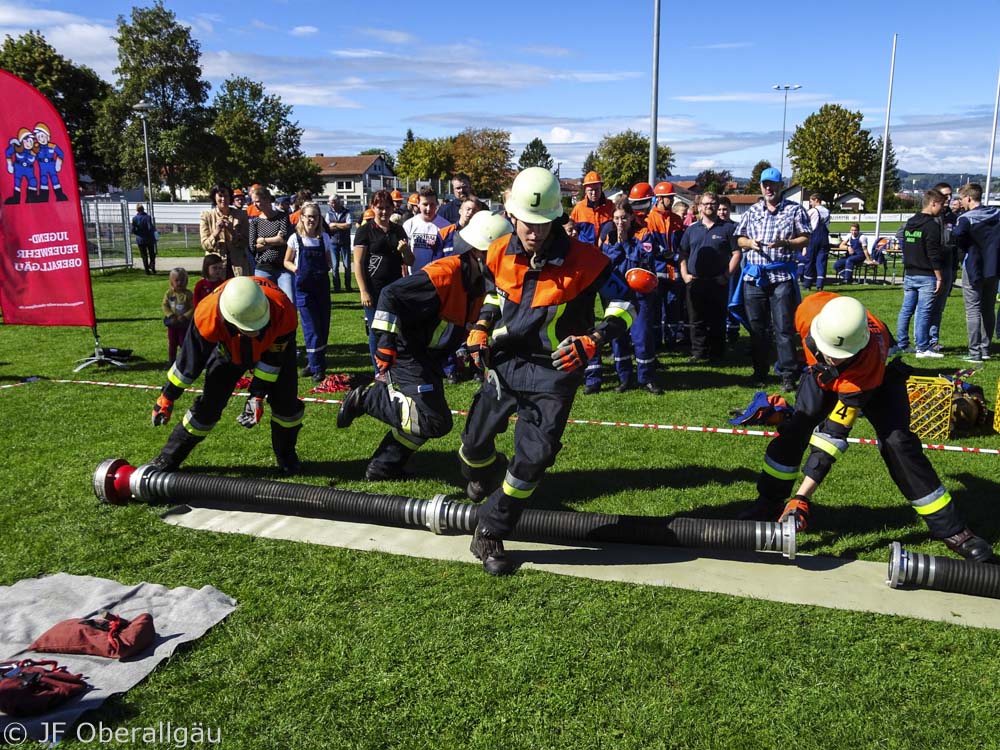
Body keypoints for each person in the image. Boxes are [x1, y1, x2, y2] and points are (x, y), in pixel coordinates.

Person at [459, 167, 636, 576]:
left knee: (535, 456)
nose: (533, 232)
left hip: (555, 370)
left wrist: (593, 339)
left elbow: (625, 305)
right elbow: (493, 293)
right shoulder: (498, 250)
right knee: (473, 446)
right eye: (526, 222)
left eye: (542, 223)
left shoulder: (589, 261)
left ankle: (490, 528)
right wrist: (481, 327)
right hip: (503, 362)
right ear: (511, 214)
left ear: (557, 218)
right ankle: (482, 478)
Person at [739, 292, 996, 565]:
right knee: (797, 425)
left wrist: (802, 498)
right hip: (821, 377)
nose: (833, 358)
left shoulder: (867, 362)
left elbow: (832, 438)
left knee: (898, 444)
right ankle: (769, 502)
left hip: (877, 380)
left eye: (840, 356)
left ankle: (955, 532)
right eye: (828, 351)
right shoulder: (809, 311)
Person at [337, 212, 514, 480]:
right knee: (434, 420)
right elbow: (390, 294)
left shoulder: (480, 282)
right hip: (407, 352)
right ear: (480, 254)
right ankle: (368, 398)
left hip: (429, 357)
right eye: (502, 254)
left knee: (426, 417)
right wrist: (385, 343)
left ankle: (383, 467)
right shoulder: (444, 274)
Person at [148, 276, 304, 475]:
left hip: (273, 351)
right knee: (208, 408)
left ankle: (287, 457)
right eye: (249, 328)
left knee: (286, 407)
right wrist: (167, 396)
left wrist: (257, 394)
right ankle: (168, 458)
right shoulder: (206, 315)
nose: (255, 333)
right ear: (228, 318)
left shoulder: (284, 311)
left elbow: (273, 361)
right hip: (228, 352)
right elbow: (189, 362)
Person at [733, 167, 811, 391]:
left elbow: (805, 238)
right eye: (765, 184)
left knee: (783, 327)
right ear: (761, 186)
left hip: (781, 276)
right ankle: (759, 372)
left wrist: (787, 243)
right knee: (757, 328)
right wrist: (750, 244)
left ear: (780, 186)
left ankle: (788, 374)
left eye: (773, 184)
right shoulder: (753, 211)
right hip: (754, 277)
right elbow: (739, 238)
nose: (769, 188)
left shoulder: (795, 211)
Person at [585, 198, 663, 394]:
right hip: (616, 296)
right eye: (617, 218)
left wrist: (625, 242)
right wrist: (618, 243)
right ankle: (624, 378)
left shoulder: (643, 236)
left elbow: (642, 258)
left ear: (631, 218)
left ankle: (646, 378)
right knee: (617, 338)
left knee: (642, 337)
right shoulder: (608, 238)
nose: (620, 222)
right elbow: (607, 261)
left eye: (624, 218)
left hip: (639, 295)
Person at [353, 190, 413, 373]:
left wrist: (404, 250)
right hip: (374, 288)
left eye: (388, 207)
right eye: (380, 208)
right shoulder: (365, 231)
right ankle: (378, 370)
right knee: (376, 330)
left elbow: (410, 261)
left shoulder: (398, 230)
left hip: (394, 288)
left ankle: (394, 366)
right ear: (373, 207)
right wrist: (363, 290)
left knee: (396, 329)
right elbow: (358, 262)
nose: (384, 212)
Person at [679, 192, 740, 362]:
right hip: (695, 281)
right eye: (705, 204)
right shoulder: (691, 229)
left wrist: (726, 276)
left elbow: (737, 253)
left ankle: (716, 353)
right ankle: (698, 352)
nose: (709, 206)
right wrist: (684, 275)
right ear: (699, 207)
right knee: (696, 319)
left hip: (717, 282)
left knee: (717, 319)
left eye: (712, 203)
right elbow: (682, 254)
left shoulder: (728, 229)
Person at [284, 202, 333, 382]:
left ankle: (315, 363)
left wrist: (326, 267)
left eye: (315, 216)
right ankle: (317, 367)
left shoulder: (324, 238)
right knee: (311, 328)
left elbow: (329, 261)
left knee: (322, 327)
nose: (311, 219)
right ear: (302, 217)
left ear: (319, 218)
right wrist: (297, 269)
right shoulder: (295, 239)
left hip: (321, 288)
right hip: (304, 289)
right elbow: (286, 261)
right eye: (308, 216)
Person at [894, 189, 946, 359]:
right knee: (923, 311)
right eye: (942, 205)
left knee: (906, 310)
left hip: (909, 272)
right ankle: (922, 347)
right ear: (933, 203)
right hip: (926, 274)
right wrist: (939, 276)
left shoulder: (910, 222)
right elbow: (933, 253)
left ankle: (902, 343)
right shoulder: (932, 225)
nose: (942, 208)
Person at [953, 182, 1000, 363]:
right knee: (988, 308)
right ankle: (986, 348)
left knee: (972, 309)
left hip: (974, 267)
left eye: (962, 199)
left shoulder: (966, 218)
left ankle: (974, 352)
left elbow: (957, 236)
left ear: (969, 198)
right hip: (994, 267)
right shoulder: (996, 214)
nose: (961, 202)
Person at [647, 181, 687, 347]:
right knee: (656, 309)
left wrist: (678, 258)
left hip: (674, 272)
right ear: (660, 199)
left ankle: (672, 339)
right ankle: (656, 341)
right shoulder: (650, 219)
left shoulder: (676, 220)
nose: (671, 200)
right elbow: (651, 246)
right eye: (669, 197)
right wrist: (673, 256)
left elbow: (682, 244)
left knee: (673, 308)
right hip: (658, 271)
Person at [248, 186, 294, 300]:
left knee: (289, 300)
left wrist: (262, 240)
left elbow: (284, 240)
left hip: (283, 268)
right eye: (253, 202)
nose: (255, 205)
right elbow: (252, 247)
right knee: (265, 302)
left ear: (267, 199)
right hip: (263, 268)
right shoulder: (255, 222)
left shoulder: (282, 217)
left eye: (257, 201)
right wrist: (275, 240)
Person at [927, 182, 958, 353]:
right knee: (926, 306)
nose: (948, 199)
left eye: (950, 195)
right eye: (945, 195)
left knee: (939, 307)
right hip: (930, 268)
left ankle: (933, 340)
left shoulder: (952, 217)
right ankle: (922, 340)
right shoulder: (928, 217)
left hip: (947, 266)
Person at [200, 184, 250, 278]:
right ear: (214, 197)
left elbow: (246, 242)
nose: (223, 199)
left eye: (226, 196)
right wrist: (216, 232)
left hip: (238, 266)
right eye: (220, 196)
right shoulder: (206, 216)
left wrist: (232, 231)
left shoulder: (241, 215)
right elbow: (205, 245)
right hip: (215, 268)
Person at [402, 186, 450, 273]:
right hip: (414, 277)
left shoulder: (446, 226)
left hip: (436, 276)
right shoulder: (409, 225)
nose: (428, 209)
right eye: (425, 204)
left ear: (437, 204)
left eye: (432, 204)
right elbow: (404, 254)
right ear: (418, 204)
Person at [569, 171, 615, 246]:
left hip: (606, 251)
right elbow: (571, 232)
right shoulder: (579, 208)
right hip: (585, 252)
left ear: (601, 188)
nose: (594, 193)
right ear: (585, 190)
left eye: (596, 189)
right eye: (590, 190)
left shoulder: (611, 206)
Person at [162, 268, 194, 364]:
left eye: (182, 280)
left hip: (183, 323)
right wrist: (171, 315)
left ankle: (184, 360)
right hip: (172, 323)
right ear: (171, 282)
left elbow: (193, 307)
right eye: (177, 280)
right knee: (172, 343)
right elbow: (165, 305)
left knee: (183, 342)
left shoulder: (188, 294)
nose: (180, 283)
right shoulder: (169, 293)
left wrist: (185, 316)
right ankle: (172, 360)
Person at [801, 193, 830, 290]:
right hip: (825, 237)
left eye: (811, 201)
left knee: (810, 261)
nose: (810, 203)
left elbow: (804, 221)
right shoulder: (827, 211)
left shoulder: (813, 211)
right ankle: (820, 285)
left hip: (814, 237)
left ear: (816, 200)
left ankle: (807, 284)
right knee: (821, 262)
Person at [325, 195, 353, 293]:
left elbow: (348, 225)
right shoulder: (329, 213)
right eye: (330, 202)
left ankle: (348, 286)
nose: (331, 204)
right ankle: (337, 287)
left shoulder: (347, 212)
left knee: (347, 265)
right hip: (333, 242)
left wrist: (335, 224)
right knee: (335, 265)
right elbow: (328, 227)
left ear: (338, 202)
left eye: (332, 202)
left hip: (345, 242)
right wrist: (341, 225)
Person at [130, 204, 157, 275]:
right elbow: (150, 227)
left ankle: (146, 270)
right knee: (152, 253)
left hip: (140, 239)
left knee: (144, 255)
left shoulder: (135, 218)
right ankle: (153, 267)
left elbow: (133, 230)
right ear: (143, 209)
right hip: (149, 238)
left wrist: (138, 233)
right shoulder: (148, 217)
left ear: (137, 210)